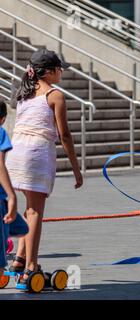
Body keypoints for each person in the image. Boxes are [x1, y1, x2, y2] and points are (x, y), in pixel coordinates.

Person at [5, 49, 83, 284]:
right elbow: (65, 135)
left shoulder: (23, 94)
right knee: (36, 211)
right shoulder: (54, 95)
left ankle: (19, 258)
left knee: (28, 208)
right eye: (59, 69)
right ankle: (31, 266)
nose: (61, 73)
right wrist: (77, 169)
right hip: (37, 153)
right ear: (49, 72)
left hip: (15, 152)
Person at [0, 100, 28, 280]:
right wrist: (11, 195)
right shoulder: (0, 132)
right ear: (2, 119)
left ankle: (5, 238)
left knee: (21, 227)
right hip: (1, 200)